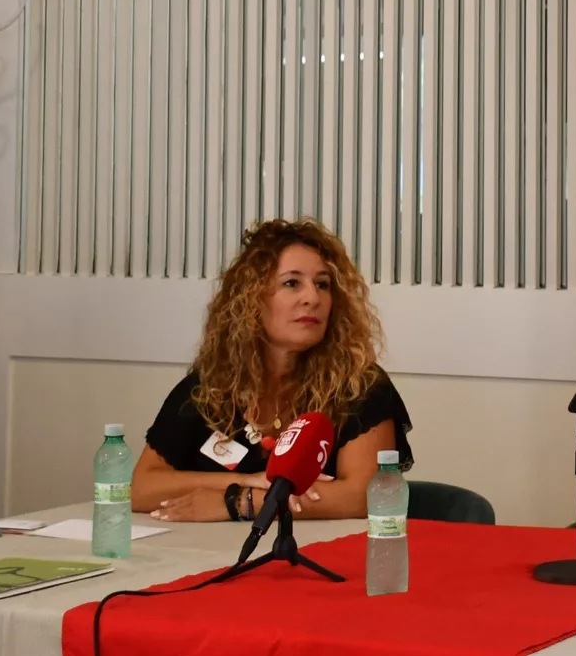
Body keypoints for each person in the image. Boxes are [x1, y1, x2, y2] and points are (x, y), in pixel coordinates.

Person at [132, 218, 413, 522]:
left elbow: (363, 497)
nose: (313, 298)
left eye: (322, 284)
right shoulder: (210, 387)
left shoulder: (359, 385)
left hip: (324, 548)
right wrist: (245, 481)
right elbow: (140, 489)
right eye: (292, 283)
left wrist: (238, 503)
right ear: (251, 300)